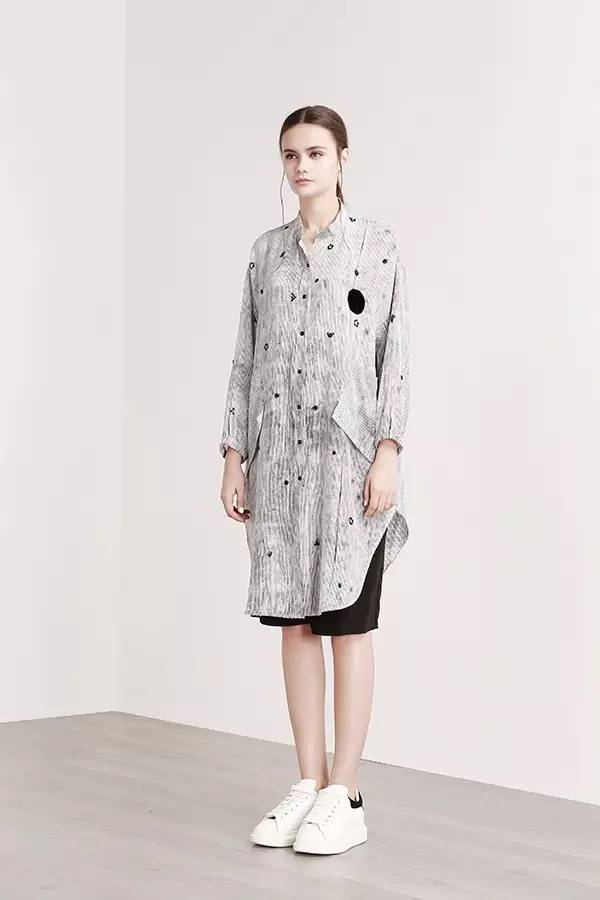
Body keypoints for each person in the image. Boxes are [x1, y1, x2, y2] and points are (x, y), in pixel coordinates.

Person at [218, 105, 410, 855]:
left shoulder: (377, 247)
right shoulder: (265, 255)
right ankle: (308, 781)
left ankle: (345, 791)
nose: (302, 166)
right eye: (291, 154)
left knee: (348, 626)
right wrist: (234, 455)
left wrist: (388, 451)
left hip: (349, 466)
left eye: (316, 153)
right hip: (280, 465)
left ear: (342, 159)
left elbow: (395, 355)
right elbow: (245, 358)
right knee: (295, 625)